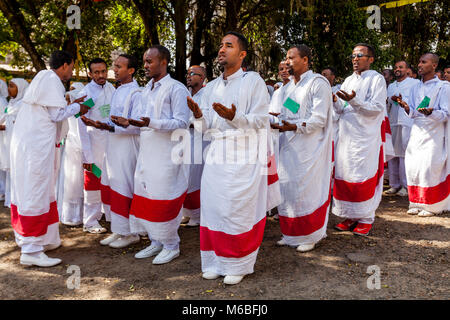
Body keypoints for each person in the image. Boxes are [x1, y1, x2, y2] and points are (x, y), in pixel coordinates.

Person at [187, 31, 280, 285]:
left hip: (244, 155)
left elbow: (262, 119)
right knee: (215, 207)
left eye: (228, 46)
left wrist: (234, 117)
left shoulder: (253, 81)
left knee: (237, 209)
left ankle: (238, 262)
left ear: (242, 54)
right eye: (220, 45)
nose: (221, 49)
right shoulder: (212, 87)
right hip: (216, 154)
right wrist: (197, 116)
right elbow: (205, 128)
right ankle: (215, 261)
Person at [9, 50, 89, 267]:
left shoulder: (42, 78)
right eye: (72, 67)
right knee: (36, 191)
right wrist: (79, 107)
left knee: (41, 190)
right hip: (36, 150)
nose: (72, 71)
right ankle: (31, 250)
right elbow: (56, 115)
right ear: (64, 64)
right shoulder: (52, 80)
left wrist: (70, 103)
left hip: (32, 146)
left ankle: (46, 238)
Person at [127, 45, 190, 265]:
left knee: (164, 197)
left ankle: (172, 245)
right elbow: (144, 120)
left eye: (149, 62)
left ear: (163, 62)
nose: (145, 66)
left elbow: (182, 122)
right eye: (144, 61)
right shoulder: (147, 89)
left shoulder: (177, 88)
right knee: (148, 195)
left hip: (167, 155)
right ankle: (156, 241)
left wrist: (151, 123)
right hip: (148, 151)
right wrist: (130, 122)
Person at [271, 45, 333, 252]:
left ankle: (311, 235)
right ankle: (290, 234)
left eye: (291, 58)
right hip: (289, 146)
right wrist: (277, 122)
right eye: (286, 58)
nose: (287, 62)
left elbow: (319, 118)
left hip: (310, 148)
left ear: (305, 60)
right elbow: (289, 112)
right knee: (288, 188)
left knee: (307, 190)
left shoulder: (318, 83)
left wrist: (295, 126)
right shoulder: (288, 88)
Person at [82, 54, 143, 248]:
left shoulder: (136, 93)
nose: (113, 70)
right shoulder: (117, 90)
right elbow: (113, 119)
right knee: (114, 186)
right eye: (114, 66)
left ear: (131, 70)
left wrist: (108, 127)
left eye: (119, 67)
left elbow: (136, 125)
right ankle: (119, 230)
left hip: (126, 146)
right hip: (112, 144)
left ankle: (131, 233)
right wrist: (99, 124)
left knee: (125, 187)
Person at [332, 43, 387, 237]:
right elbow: (342, 110)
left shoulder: (377, 79)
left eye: (360, 55)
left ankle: (366, 218)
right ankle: (350, 216)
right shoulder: (347, 80)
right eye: (353, 56)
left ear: (370, 59)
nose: (355, 59)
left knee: (363, 174)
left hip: (365, 138)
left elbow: (377, 108)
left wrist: (354, 101)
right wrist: (336, 102)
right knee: (346, 174)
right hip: (347, 135)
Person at [393, 53, 449, 216]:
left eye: (424, 62)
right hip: (417, 130)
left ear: (434, 65)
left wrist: (431, 113)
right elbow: (414, 111)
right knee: (414, 166)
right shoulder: (415, 86)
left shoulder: (443, 87)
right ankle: (416, 202)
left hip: (434, 132)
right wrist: (406, 107)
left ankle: (431, 205)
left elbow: (445, 113)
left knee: (429, 167)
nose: (419, 64)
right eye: (419, 62)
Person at [78, 58, 115, 234]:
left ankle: (107, 214)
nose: (101, 75)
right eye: (97, 72)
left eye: (103, 71)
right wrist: (86, 155)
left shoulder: (110, 88)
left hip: (110, 141)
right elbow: (81, 124)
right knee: (93, 181)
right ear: (90, 74)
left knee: (109, 180)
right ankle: (90, 221)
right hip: (94, 144)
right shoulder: (89, 94)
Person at [384, 61, 419, 197]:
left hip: (407, 122)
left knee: (405, 154)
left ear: (407, 69)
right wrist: (389, 101)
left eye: (401, 67)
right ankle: (394, 184)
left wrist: (406, 104)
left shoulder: (414, 83)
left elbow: (422, 100)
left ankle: (406, 186)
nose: (397, 69)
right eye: (396, 67)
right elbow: (386, 105)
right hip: (393, 121)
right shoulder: (391, 86)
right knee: (393, 153)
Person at [181, 65, 207, 227]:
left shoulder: (207, 95)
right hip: (184, 140)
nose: (189, 76)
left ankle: (197, 215)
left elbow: (205, 118)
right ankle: (188, 212)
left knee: (195, 178)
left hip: (200, 140)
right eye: (187, 74)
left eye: (193, 74)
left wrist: (188, 122)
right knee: (185, 177)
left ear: (202, 77)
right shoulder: (186, 94)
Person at [0, 78, 29, 208]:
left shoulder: (24, 105)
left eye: (12, 86)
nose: (8, 89)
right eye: (9, 86)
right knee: (10, 171)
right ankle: (10, 198)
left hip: (20, 144)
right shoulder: (11, 103)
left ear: (21, 88)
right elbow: (5, 119)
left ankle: (20, 200)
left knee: (19, 170)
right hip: (9, 141)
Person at [60, 82, 85, 226]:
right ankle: (70, 215)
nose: (71, 94)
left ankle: (81, 214)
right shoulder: (68, 109)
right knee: (70, 181)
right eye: (70, 90)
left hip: (81, 147)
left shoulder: (84, 109)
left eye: (75, 91)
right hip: (70, 147)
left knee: (79, 181)